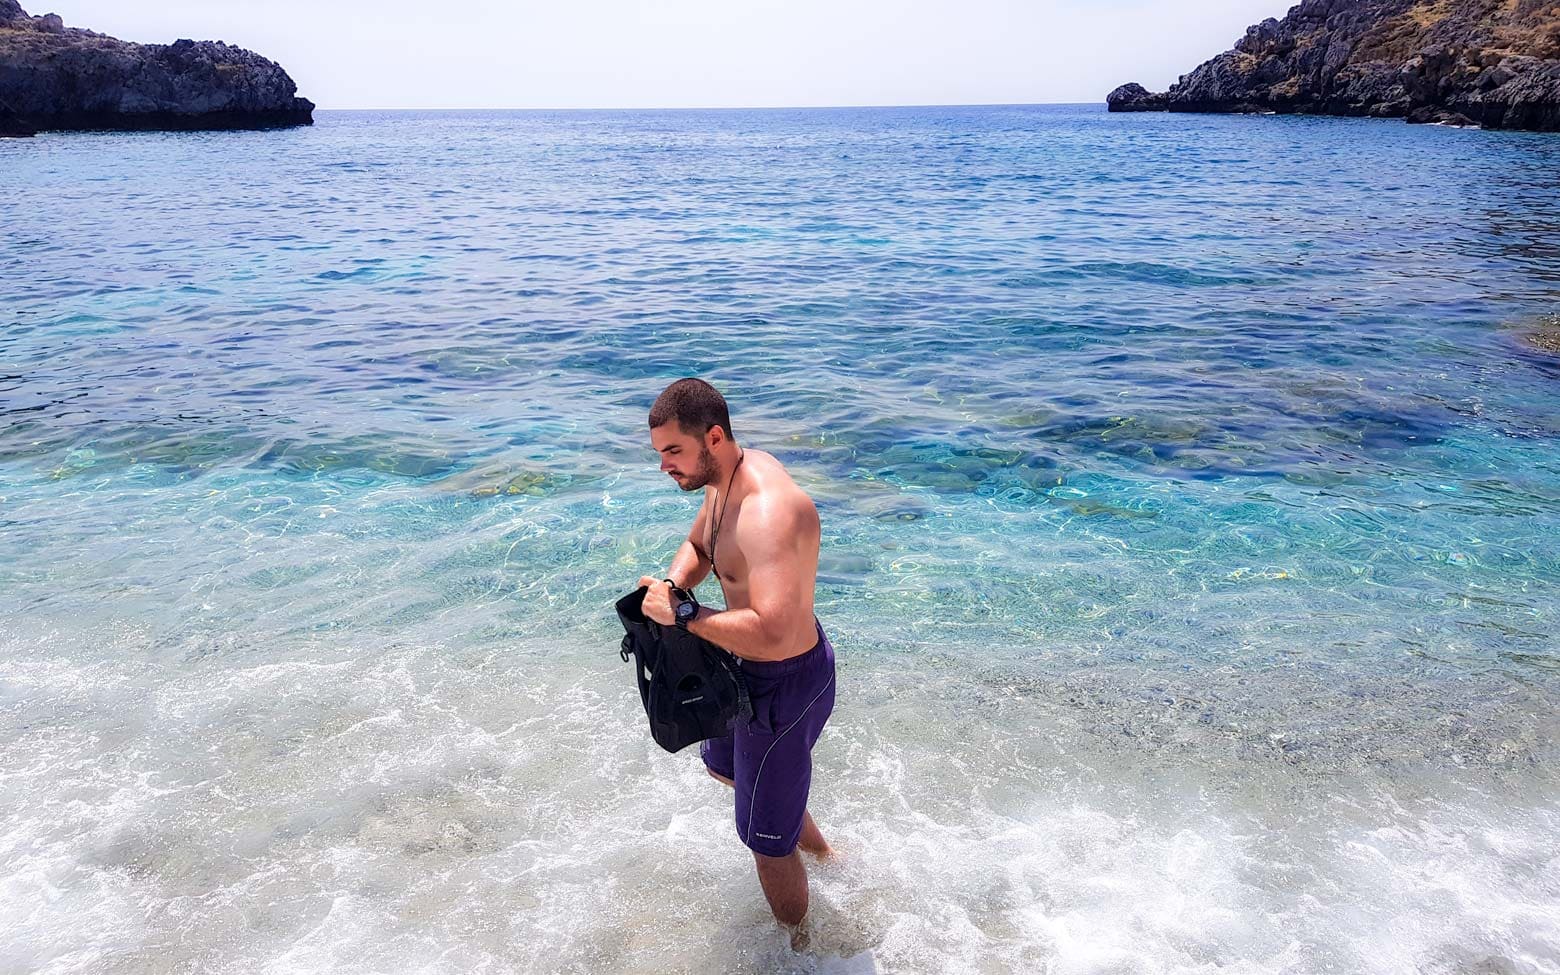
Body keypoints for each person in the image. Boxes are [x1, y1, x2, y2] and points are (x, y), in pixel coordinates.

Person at [637, 377, 837, 929]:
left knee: (766, 843)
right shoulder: (718, 478)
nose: (664, 467)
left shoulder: (769, 512)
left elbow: (772, 632)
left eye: (673, 451)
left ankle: (802, 958)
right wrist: (674, 587)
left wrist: (683, 617)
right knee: (724, 767)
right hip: (740, 668)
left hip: (782, 682)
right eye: (659, 454)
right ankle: (824, 855)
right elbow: (702, 545)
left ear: (715, 436)